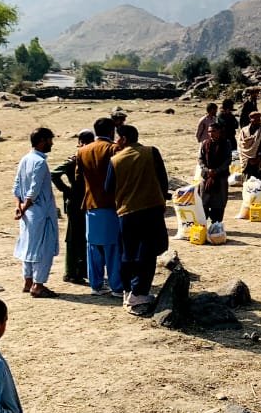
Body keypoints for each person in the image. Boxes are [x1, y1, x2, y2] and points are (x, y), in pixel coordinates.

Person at [107, 124, 170, 315]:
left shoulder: (115, 160)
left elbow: (108, 188)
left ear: (124, 139)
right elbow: (163, 179)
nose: (116, 141)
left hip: (126, 212)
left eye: (117, 138)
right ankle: (139, 293)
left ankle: (128, 291)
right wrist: (161, 199)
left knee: (128, 253)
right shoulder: (151, 152)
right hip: (151, 209)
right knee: (147, 254)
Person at [78, 118, 123, 298]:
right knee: (113, 248)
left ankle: (96, 285)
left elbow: (78, 177)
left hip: (91, 204)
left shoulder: (83, 150)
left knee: (93, 247)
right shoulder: (113, 148)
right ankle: (117, 286)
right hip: (111, 204)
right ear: (112, 131)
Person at [11, 128, 59, 299]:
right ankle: (38, 285)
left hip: (28, 214)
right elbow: (33, 191)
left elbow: (17, 186)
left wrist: (19, 206)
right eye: (50, 140)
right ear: (42, 141)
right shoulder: (39, 162)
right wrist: (23, 207)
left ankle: (28, 281)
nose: (52, 143)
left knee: (28, 247)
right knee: (43, 249)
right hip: (40, 213)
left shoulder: (25, 159)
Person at [49, 129, 93, 286]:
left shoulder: (86, 157)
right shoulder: (74, 160)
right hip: (76, 202)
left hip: (86, 201)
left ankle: (81, 270)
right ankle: (71, 272)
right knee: (74, 237)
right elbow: (54, 173)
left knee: (84, 237)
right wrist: (66, 190)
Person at [198, 122, 232, 223]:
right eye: (209, 132)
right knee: (203, 202)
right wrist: (207, 170)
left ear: (219, 132)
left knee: (219, 204)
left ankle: (216, 224)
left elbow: (228, 160)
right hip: (206, 177)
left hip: (220, 177)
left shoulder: (226, 143)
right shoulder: (205, 143)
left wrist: (217, 171)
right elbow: (200, 159)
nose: (211, 133)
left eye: (213, 131)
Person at [238, 111, 261, 183]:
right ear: (250, 119)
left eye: (259, 119)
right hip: (248, 161)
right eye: (256, 119)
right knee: (249, 184)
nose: (258, 121)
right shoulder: (244, 131)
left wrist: (259, 157)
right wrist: (249, 158)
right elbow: (241, 146)